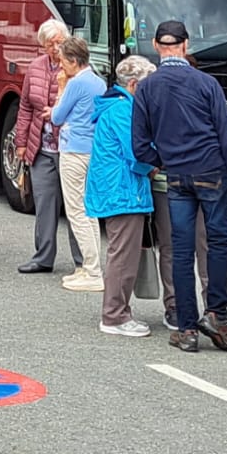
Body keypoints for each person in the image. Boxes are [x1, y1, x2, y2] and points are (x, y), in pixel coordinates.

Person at [131, 20, 227, 354]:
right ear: (186, 44)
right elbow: (226, 139)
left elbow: (139, 146)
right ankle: (217, 315)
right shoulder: (207, 83)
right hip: (212, 170)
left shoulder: (147, 87)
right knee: (218, 243)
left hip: (176, 176)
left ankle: (187, 328)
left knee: (180, 251)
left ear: (156, 45)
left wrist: (164, 160)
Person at [86, 54, 159, 337]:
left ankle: (117, 311)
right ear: (134, 85)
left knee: (123, 254)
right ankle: (115, 315)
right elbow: (138, 152)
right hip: (123, 191)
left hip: (118, 188)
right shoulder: (123, 111)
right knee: (123, 257)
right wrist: (156, 164)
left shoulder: (117, 107)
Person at [15, 18, 85, 276]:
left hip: (70, 148)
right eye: (49, 44)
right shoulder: (35, 67)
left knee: (75, 206)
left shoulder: (77, 69)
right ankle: (43, 257)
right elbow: (25, 107)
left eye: (59, 42)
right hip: (41, 147)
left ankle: (83, 261)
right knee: (44, 203)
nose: (55, 48)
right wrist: (21, 142)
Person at [50, 36, 106, 293]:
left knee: (76, 211)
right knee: (89, 210)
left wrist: (61, 88)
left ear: (74, 61)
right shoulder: (98, 81)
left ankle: (92, 271)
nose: (60, 65)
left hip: (73, 148)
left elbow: (57, 116)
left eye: (63, 60)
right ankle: (91, 266)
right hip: (91, 148)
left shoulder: (75, 83)